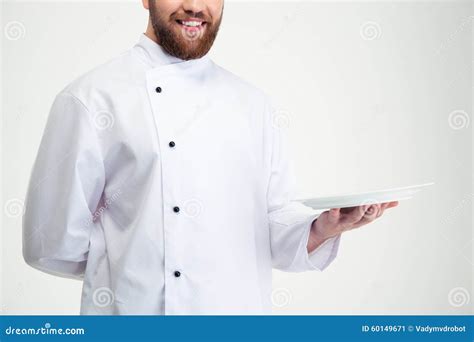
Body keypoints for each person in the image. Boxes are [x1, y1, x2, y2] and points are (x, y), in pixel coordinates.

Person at [22, 0, 398, 315]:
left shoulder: (253, 104)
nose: (195, 7)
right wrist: (134, 266)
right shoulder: (91, 98)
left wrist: (323, 227)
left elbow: (272, 224)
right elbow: (51, 242)